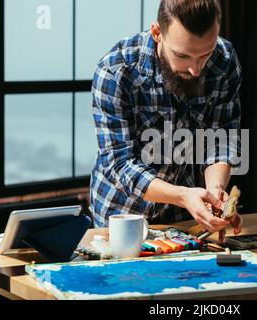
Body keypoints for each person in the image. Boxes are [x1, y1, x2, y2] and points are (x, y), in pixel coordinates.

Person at [90, 0, 243, 238]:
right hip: (123, 215)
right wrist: (183, 195)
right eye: (182, 55)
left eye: (205, 54)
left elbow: (221, 138)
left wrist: (214, 194)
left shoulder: (224, 61)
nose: (195, 69)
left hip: (184, 216)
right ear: (157, 33)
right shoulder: (116, 70)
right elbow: (119, 164)